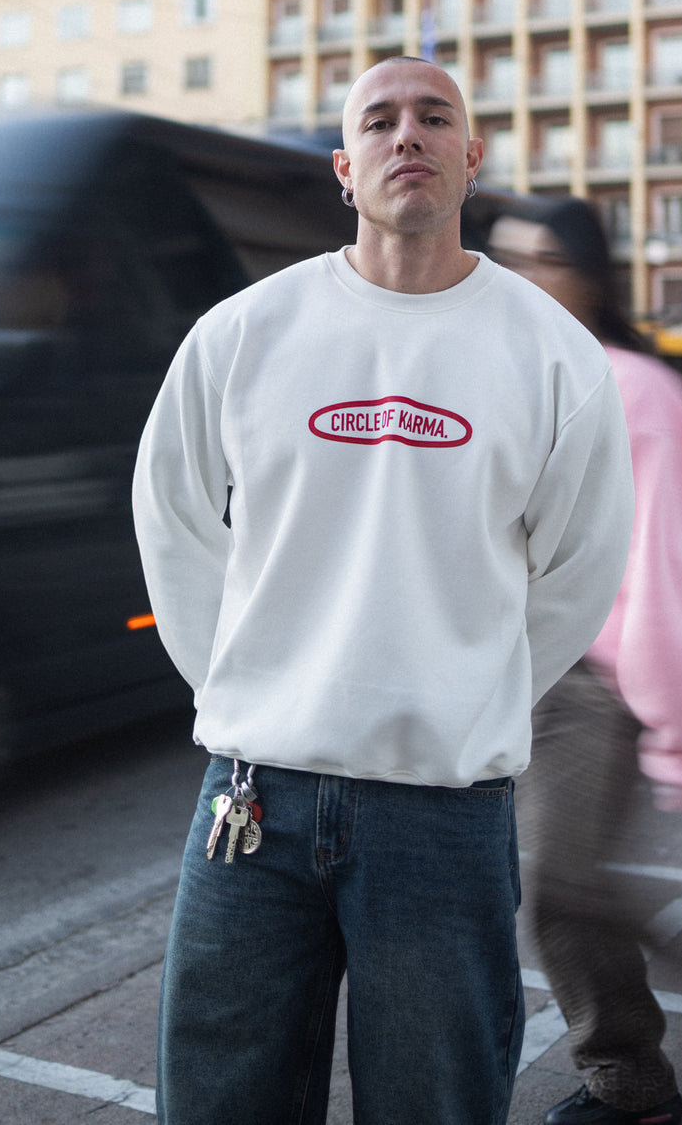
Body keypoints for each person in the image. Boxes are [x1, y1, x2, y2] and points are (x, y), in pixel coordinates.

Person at [132, 58, 635, 1125]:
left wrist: (466, 691)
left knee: (433, 1101)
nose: (407, 133)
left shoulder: (552, 356)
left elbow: (579, 567)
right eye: (380, 120)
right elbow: (172, 517)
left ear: (472, 156)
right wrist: (240, 675)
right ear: (344, 169)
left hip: (443, 817)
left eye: (434, 116)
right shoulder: (243, 333)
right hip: (252, 804)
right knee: (220, 1100)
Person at [490, 198, 682, 1125]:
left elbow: (668, 565)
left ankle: (634, 1086)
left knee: (559, 892)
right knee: (560, 887)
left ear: (589, 274)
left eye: (543, 259)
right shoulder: (514, 371)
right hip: (517, 673)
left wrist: (676, 718)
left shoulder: (634, 387)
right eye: (506, 255)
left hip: (597, 682)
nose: (521, 275)